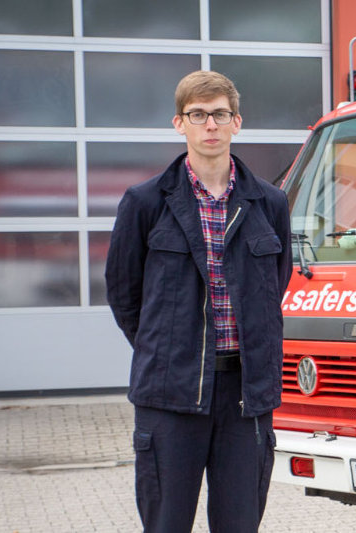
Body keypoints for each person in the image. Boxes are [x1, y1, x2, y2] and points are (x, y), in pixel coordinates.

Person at [106, 70, 292, 532]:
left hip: (246, 396)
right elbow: (124, 294)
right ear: (179, 123)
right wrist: (167, 349)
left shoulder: (269, 203)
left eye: (219, 114)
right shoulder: (145, 202)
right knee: (167, 523)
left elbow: (277, 281)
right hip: (171, 395)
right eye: (198, 114)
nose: (210, 125)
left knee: (239, 524)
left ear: (236, 122)